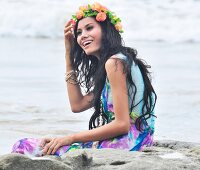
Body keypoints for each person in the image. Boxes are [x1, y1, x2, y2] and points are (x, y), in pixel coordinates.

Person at [12, 2, 157, 157]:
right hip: (136, 140)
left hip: (126, 143)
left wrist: (70, 138)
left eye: (89, 28)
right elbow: (77, 105)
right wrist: (69, 55)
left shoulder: (115, 63)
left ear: (106, 30)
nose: (83, 36)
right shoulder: (117, 62)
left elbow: (122, 125)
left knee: (23, 145)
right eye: (79, 32)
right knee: (43, 145)